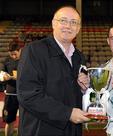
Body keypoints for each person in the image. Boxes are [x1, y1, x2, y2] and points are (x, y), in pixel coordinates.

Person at [17, 6, 90, 136]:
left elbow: (71, 94)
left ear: (78, 28)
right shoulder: (34, 51)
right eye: (63, 20)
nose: (68, 25)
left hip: (72, 130)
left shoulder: (79, 57)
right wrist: (67, 113)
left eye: (74, 22)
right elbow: (28, 95)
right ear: (53, 23)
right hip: (40, 130)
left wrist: (83, 90)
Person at [1, 41, 22, 136]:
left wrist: (15, 77)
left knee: (24, 122)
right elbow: (2, 73)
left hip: (24, 95)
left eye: (15, 54)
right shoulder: (7, 60)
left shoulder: (27, 60)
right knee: (9, 121)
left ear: (20, 50)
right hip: (10, 95)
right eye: (11, 54)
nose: (13, 56)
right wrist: (3, 76)